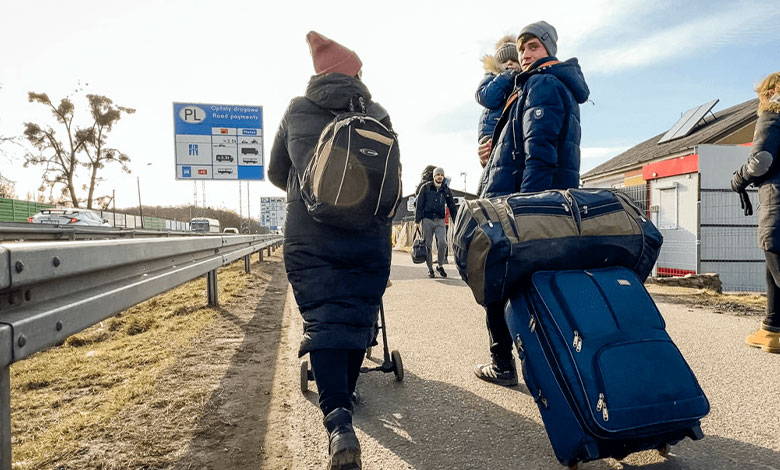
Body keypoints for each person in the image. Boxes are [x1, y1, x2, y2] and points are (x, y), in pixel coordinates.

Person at [268, 31, 395, 469]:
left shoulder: (297, 109)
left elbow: (274, 172)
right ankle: (347, 391)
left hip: (309, 233)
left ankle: (338, 420)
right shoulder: (377, 113)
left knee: (323, 318)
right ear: (356, 72)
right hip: (369, 233)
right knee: (358, 313)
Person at [473, 21, 590, 386]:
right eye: (522, 48)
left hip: (524, 206)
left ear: (549, 49)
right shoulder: (551, 84)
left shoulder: (541, 83)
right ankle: (557, 371)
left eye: (534, 47)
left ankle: (504, 364)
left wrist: (523, 209)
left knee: (495, 282)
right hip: (545, 204)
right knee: (536, 288)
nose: (525, 54)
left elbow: (538, 154)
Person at [731, 71, 780, 354]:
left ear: (769, 94)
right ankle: (771, 330)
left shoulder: (772, 117)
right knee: (772, 271)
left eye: (761, 94)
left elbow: (761, 160)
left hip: (778, 207)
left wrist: (738, 179)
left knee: (778, 268)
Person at [476, 35, 521, 167]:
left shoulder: (521, 82)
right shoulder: (492, 78)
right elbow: (486, 98)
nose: (509, 63)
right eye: (505, 61)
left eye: (514, 60)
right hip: (491, 133)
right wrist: (506, 77)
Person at [415, 167, 458, 278]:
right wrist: (417, 221)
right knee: (428, 245)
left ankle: (439, 265)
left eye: (441, 175)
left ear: (443, 177)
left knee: (443, 242)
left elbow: (452, 206)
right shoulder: (425, 187)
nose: (439, 176)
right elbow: (419, 204)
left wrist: (456, 220)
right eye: (437, 174)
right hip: (427, 220)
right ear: (434, 176)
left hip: (440, 220)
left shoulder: (446, 190)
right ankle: (430, 269)